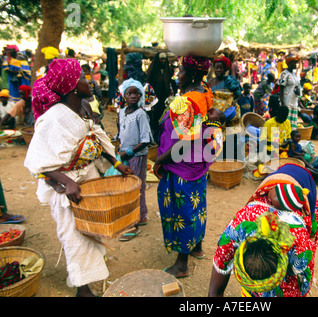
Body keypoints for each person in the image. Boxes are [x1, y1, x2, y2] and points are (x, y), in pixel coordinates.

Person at [24, 59, 132, 297]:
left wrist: (116, 163)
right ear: (73, 86)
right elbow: (38, 161)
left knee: (92, 226)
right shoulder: (53, 119)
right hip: (67, 186)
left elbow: (94, 139)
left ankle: (91, 272)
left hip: (88, 179)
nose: (90, 81)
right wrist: (67, 182)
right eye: (83, 78)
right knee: (74, 234)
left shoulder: (84, 108)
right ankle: (82, 288)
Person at [152, 55, 223, 279]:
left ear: (192, 74)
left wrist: (160, 159)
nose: (177, 75)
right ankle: (197, 247)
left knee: (180, 210)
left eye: (181, 70)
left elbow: (184, 140)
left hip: (180, 163)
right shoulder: (204, 91)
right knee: (196, 204)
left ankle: (181, 264)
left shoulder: (187, 100)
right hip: (198, 163)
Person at [208, 163, 318, 297]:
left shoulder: (300, 246)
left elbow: (302, 284)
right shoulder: (240, 226)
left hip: (303, 184)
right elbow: (221, 262)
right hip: (275, 184)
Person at [116, 78, 154, 241]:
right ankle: (142, 216)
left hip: (136, 156)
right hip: (125, 154)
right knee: (134, 185)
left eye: (136, 93)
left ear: (141, 95)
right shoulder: (122, 112)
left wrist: (130, 152)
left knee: (134, 188)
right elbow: (121, 132)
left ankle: (133, 225)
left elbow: (146, 140)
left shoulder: (141, 114)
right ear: (124, 95)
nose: (133, 96)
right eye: (129, 93)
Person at [146, 52, 176, 136]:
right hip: (154, 96)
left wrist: (171, 89)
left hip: (164, 96)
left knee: (164, 113)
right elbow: (148, 81)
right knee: (154, 115)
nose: (162, 61)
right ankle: (153, 131)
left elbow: (171, 81)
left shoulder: (169, 69)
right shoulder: (153, 69)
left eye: (164, 59)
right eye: (161, 59)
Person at [278, 55, 301, 129]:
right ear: (289, 64)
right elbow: (281, 89)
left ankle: (290, 137)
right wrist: (282, 103)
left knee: (293, 123)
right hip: (287, 101)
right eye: (294, 63)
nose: (295, 65)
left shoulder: (294, 74)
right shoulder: (284, 74)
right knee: (285, 122)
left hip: (294, 101)